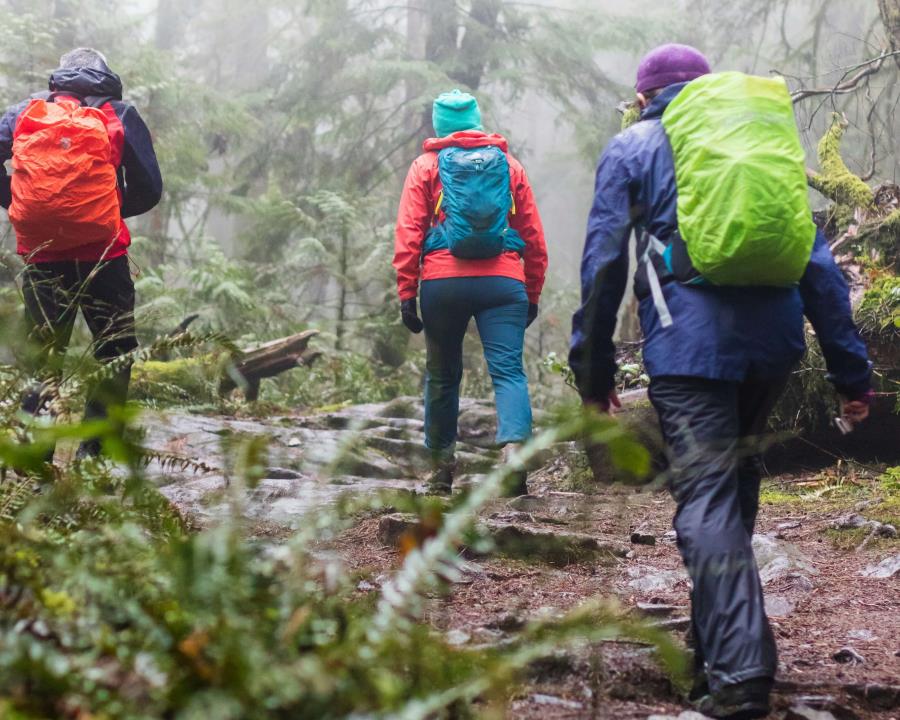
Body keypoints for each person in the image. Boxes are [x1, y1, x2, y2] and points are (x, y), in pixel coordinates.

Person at [569, 45, 872, 719]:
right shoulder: (757, 143)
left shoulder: (636, 146)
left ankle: (740, 674)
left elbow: (602, 266)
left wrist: (591, 373)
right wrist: (852, 372)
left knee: (704, 497)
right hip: (774, 344)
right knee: (734, 488)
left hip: (689, 346)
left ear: (643, 96)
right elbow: (818, 264)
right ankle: (713, 660)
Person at [0, 48, 163, 461]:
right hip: (105, 256)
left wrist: (17, 203)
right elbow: (150, 188)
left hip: (43, 255)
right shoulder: (119, 114)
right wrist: (102, 210)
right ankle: (96, 457)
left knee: (44, 355)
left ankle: (32, 463)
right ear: (106, 74)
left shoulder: (24, 112)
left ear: (61, 75)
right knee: (115, 351)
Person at [394, 90, 548, 496]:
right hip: (504, 282)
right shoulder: (509, 166)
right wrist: (531, 292)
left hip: (443, 284)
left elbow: (410, 231)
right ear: (477, 121)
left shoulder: (426, 166)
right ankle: (514, 450)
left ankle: (441, 469)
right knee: (508, 371)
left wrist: (407, 291)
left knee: (443, 376)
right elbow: (532, 234)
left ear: (439, 124)